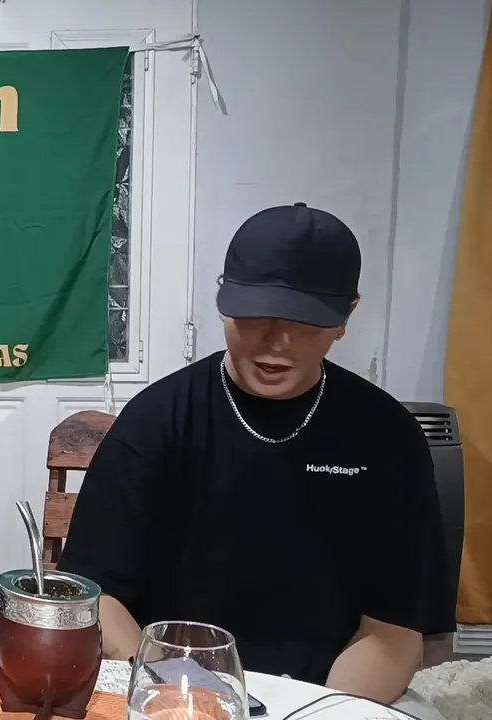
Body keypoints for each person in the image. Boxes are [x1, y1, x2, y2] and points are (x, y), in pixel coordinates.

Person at [57, 203, 453, 703]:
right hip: (171, 687)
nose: (278, 341)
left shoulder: (387, 435)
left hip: (331, 695)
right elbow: (97, 597)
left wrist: (321, 712)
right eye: (256, 314)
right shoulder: (156, 422)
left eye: (307, 320)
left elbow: (393, 632)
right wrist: (179, 700)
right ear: (224, 301)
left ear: (345, 317)